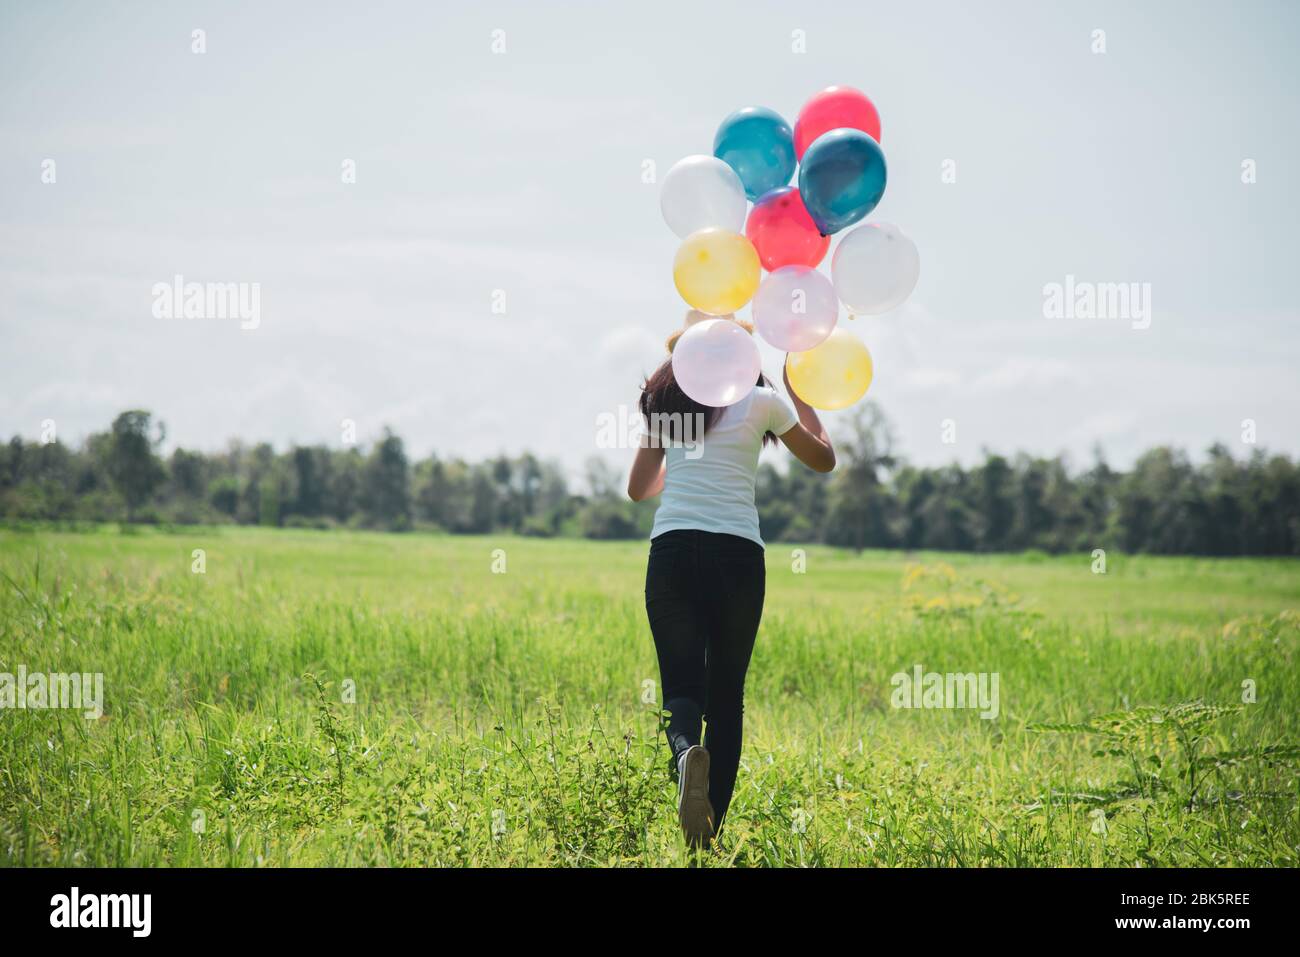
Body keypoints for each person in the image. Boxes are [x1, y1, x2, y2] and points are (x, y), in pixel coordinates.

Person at [627, 315, 836, 849]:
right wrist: (801, 395)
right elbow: (823, 458)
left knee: (680, 689)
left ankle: (683, 759)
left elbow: (637, 489)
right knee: (726, 697)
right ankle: (708, 834)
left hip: (672, 552)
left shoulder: (664, 405)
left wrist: (682, 458)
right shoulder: (761, 401)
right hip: (737, 556)